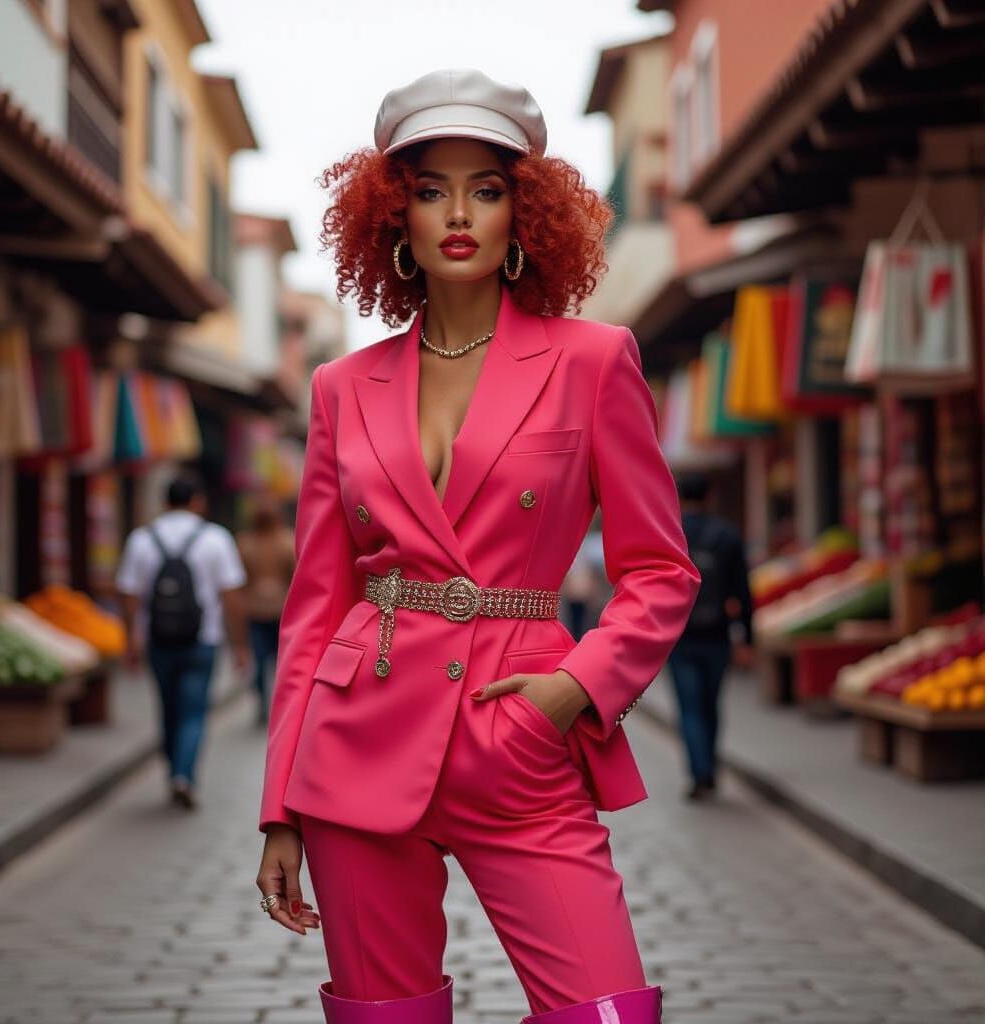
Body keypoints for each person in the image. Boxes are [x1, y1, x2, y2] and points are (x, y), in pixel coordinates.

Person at [254, 69, 701, 1024]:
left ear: (525, 214)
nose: (458, 212)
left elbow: (660, 571)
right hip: (357, 745)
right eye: (429, 188)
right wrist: (279, 805)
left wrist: (572, 690)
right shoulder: (340, 386)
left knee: (605, 1012)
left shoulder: (593, 360)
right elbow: (314, 605)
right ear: (394, 216)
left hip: (522, 739)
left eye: (487, 188)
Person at [117, 471, 249, 810]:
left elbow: (129, 595)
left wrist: (131, 637)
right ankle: (184, 775)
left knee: (168, 706)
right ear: (198, 502)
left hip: (158, 640)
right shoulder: (216, 539)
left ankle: (174, 766)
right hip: (203, 639)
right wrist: (240, 645)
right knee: (193, 711)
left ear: (165, 502)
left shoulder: (141, 539)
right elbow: (232, 596)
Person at [668, 470, 754, 802]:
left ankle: (700, 772)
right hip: (718, 635)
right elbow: (744, 594)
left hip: (680, 637)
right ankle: (710, 767)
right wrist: (747, 638)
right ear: (709, 497)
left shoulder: (671, 535)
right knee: (711, 704)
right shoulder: (727, 535)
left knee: (689, 707)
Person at [235, 492, 296, 726]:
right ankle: (266, 700)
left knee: (276, 664)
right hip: (260, 613)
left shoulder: (282, 542)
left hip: (276, 613)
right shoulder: (250, 543)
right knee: (264, 663)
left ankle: (275, 702)